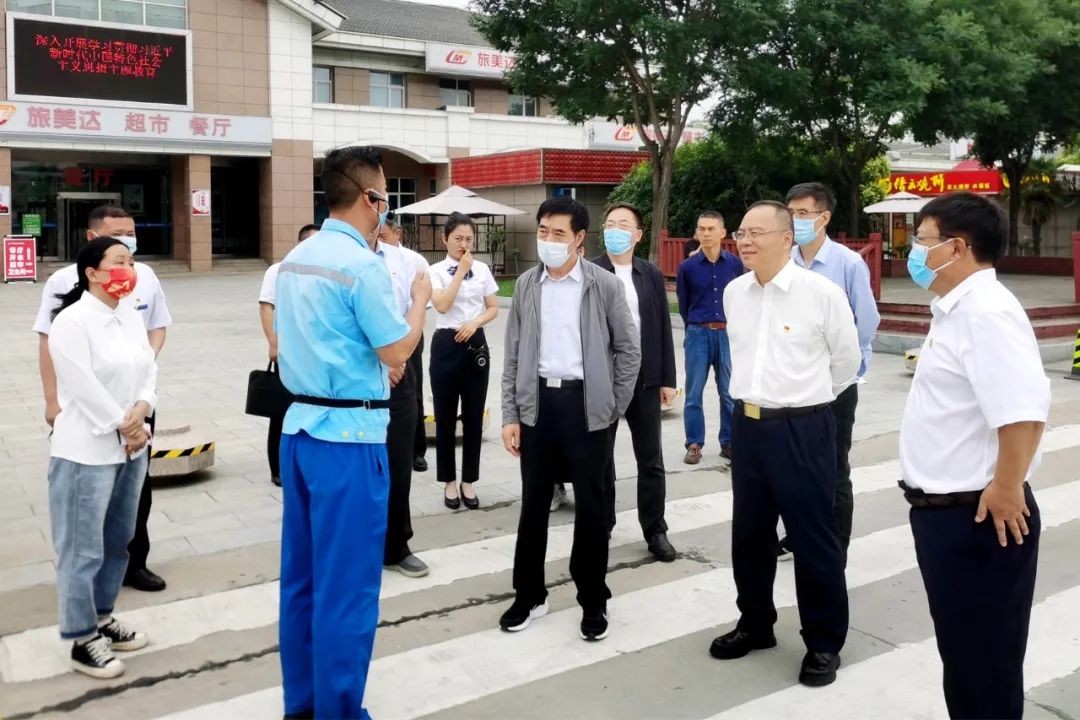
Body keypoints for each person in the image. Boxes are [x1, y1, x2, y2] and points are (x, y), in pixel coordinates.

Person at [274, 146, 430, 719]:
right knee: (348, 590)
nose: (386, 206)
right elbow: (397, 350)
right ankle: (339, 711)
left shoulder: (295, 259)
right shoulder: (362, 266)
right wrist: (419, 301)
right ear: (370, 198)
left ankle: (303, 705)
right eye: (385, 194)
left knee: (302, 582)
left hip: (299, 431)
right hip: (349, 437)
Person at [899, 193, 1049, 720]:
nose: (914, 253)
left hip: (980, 518)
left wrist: (1007, 488)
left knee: (985, 666)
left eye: (922, 241)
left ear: (956, 247)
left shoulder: (986, 313)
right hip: (948, 514)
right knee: (965, 659)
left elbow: (1023, 414)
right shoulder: (957, 310)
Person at [710, 200, 859, 689]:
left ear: (787, 237)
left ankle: (823, 642)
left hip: (803, 428)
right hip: (748, 426)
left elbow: (845, 363)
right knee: (750, 535)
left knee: (813, 537)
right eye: (741, 232)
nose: (745, 241)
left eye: (756, 232)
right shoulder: (735, 292)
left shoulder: (821, 294)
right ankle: (755, 623)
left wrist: (804, 404)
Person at [499, 196, 640, 642]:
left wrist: (612, 406)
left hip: (587, 408)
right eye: (543, 231)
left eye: (558, 233)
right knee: (533, 506)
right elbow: (513, 354)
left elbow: (629, 350)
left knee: (593, 510)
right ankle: (529, 594)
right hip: (538, 406)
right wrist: (510, 414)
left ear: (580, 239)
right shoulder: (527, 285)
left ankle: (593, 599)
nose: (548, 240)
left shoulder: (604, 285)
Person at [33, 204, 171, 593]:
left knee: (136, 491)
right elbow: (48, 342)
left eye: (131, 232)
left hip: (137, 403)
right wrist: (51, 400)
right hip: (89, 408)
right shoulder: (63, 281)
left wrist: (142, 381)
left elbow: (157, 328)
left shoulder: (144, 277)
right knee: (90, 495)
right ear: (93, 238)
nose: (129, 240)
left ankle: (133, 563)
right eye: (118, 234)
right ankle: (86, 582)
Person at [46, 237, 156, 679]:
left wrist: (143, 407)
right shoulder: (72, 322)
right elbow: (81, 384)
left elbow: (148, 366)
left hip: (131, 448)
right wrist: (124, 424)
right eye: (119, 261)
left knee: (117, 539)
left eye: (131, 261)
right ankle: (80, 636)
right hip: (85, 451)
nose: (129, 269)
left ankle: (103, 616)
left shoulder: (128, 314)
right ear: (92, 272)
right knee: (81, 548)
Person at [780, 183, 881, 562]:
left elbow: (866, 320)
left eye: (803, 214)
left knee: (834, 466)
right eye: (791, 213)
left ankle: (837, 546)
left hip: (836, 384)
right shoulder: (784, 260)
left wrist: (851, 367)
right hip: (793, 380)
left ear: (824, 217)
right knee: (794, 465)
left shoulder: (847, 263)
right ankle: (799, 533)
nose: (795, 220)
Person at [590, 202, 678, 562]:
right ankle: (602, 523)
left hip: (644, 377)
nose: (615, 230)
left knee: (651, 458)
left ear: (638, 235)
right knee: (600, 458)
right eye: (610, 223)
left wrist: (667, 378)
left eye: (623, 225)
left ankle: (655, 529)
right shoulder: (591, 271)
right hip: (603, 378)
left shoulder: (650, 273)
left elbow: (662, 327)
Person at [428, 212, 499, 510]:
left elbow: (493, 307)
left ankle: (469, 480)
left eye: (469, 239)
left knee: (473, 415)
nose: (464, 244)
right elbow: (442, 305)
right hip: (446, 343)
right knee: (445, 416)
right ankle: (448, 480)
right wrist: (460, 271)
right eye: (458, 238)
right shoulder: (434, 271)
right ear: (445, 238)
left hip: (474, 343)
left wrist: (475, 322)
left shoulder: (482, 269)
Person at [373, 222, 430, 578]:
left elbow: (415, 312)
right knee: (358, 466)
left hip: (400, 373)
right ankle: (359, 544)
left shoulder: (406, 261)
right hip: (356, 377)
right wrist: (382, 359)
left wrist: (398, 358)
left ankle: (396, 545)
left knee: (397, 464)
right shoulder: (341, 258)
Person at [676, 211, 744, 464]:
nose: (705, 233)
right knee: (694, 392)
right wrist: (693, 328)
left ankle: (729, 442)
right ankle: (694, 443)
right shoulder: (687, 267)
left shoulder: (735, 265)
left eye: (711, 229)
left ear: (723, 232)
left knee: (729, 391)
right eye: (701, 229)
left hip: (726, 333)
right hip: (698, 332)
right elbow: (683, 304)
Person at [258, 224, 319, 488]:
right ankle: (278, 468)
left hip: (316, 353)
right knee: (281, 410)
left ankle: (306, 462)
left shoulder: (324, 270)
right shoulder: (279, 270)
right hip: (288, 352)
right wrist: (274, 342)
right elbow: (266, 307)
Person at [378, 215, 432, 473]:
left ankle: (416, 450)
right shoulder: (366, 260)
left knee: (413, 391)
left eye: (384, 236)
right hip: (378, 345)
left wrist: (400, 355)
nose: (381, 241)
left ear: (397, 233)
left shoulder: (412, 260)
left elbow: (420, 305)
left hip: (409, 334)